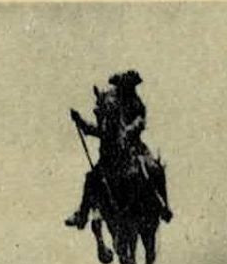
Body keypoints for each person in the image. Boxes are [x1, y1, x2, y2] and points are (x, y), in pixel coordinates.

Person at [65, 70, 171, 229]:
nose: (127, 88)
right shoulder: (111, 101)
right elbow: (99, 130)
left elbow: (140, 121)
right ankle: (82, 213)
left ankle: (163, 205)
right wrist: (80, 121)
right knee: (92, 178)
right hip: (110, 152)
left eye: (130, 85)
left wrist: (129, 130)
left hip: (135, 147)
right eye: (124, 85)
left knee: (153, 169)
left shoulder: (136, 102)